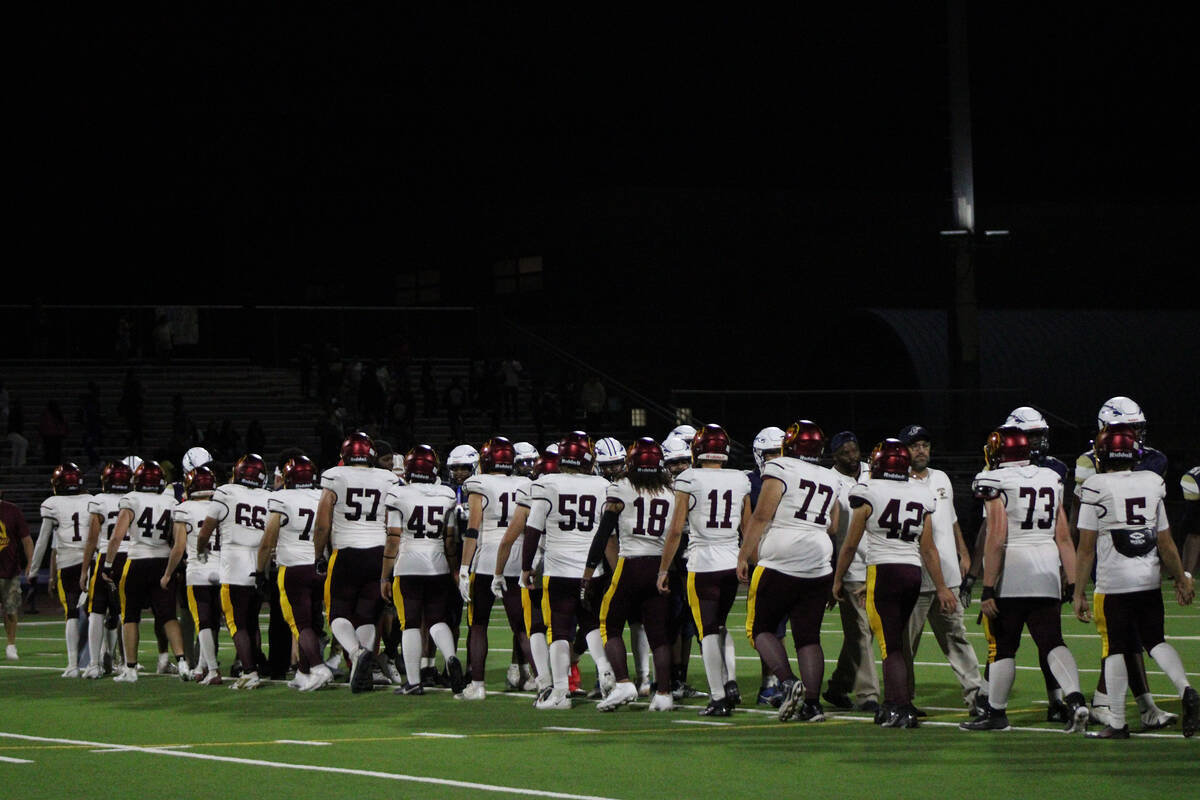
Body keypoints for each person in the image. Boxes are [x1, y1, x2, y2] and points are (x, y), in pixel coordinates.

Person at [959, 428, 1089, 733]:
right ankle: (1075, 700)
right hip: (1046, 569)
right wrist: (1073, 582)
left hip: (1014, 569)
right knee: (1051, 640)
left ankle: (997, 713)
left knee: (1004, 646)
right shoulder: (1049, 477)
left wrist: (987, 587)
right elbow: (1064, 537)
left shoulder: (995, 480)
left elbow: (997, 536)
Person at [1073, 423, 1198, 739]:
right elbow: (1166, 542)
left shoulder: (1096, 485)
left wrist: (1078, 592)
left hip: (1114, 582)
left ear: (1102, 454)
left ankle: (1117, 722)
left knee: (1116, 647)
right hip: (1148, 579)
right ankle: (1186, 690)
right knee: (1155, 640)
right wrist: (1182, 578)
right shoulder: (1152, 482)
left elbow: (1086, 549)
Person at [832, 439, 957, 728]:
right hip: (912, 574)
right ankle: (903, 702)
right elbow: (928, 549)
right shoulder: (920, 492)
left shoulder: (868, 491)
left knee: (890, 646)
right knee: (898, 641)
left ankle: (896, 706)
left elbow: (850, 546)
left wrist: (838, 579)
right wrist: (941, 586)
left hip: (883, 571)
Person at [738, 421, 840, 723]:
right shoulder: (830, 477)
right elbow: (833, 526)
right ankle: (812, 704)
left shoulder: (780, 467)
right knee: (808, 638)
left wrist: (744, 555)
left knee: (760, 629)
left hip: (782, 557)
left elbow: (761, 515)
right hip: (819, 559)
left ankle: (786, 681)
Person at [659, 424, 750, 716]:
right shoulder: (740, 479)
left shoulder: (688, 478)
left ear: (697, 450)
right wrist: (746, 560)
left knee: (707, 630)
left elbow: (675, 531)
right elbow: (748, 528)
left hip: (703, 564)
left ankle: (718, 697)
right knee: (720, 626)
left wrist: (663, 569)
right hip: (731, 561)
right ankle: (730, 681)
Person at [521, 432, 614, 709]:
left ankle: (560, 692)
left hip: (559, 568)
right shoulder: (601, 485)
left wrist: (526, 567)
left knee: (559, 631)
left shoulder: (547, 483)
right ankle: (605, 670)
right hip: (591, 569)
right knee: (591, 625)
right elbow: (607, 530)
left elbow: (533, 529)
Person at [584, 437, 677, 711]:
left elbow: (604, 533)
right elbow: (676, 535)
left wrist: (588, 571)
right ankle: (663, 693)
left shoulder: (621, 488)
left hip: (630, 564)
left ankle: (624, 683)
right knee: (658, 634)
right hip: (659, 566)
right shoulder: (671, 492)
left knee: (608, 624)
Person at [898, 424, 984, 714]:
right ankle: (903, 699)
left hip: (947, 575)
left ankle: (977, 695)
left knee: (957, 637)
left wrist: (962, 551)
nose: (921, 450)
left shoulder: (942, 478)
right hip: (914, 578)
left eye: (924, 444)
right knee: (905, 645)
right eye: (914, 445)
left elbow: (952, 520)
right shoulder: (897, 483)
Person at [312, 432, 399, 693]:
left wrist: (318, 556)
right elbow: (392, 521)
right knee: (367, 616)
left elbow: (322, 525)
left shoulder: (335, 477)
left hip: (346, 553)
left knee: (338, 613)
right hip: (378, 553)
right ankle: (361, 668)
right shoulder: (388, 479)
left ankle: (355, 652)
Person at [383, 445, 465, 696]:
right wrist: (453, 569)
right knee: (437, 620)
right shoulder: (446, 495)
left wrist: (385, 574)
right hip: (438, 563)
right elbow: (451, 539)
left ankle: (414, 681)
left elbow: (394, 538)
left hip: (409, 564)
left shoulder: (399, 495)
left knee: (409, 623)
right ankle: (451, 658)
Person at [457, 438, 532, 700]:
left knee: (478, 625)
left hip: (487, 557)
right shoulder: (526, 484)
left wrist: (464, 567)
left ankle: (477, 684)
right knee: (522, 627)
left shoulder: (480, 484)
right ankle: (542, 680)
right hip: (517, 557)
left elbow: (473, 527)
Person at [101, 460, 188, 682]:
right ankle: (182, 662)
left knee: (130, 616)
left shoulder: (132, 499)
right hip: (162, 560)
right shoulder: (170, 501)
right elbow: (177, 538)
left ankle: (130, 669)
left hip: (137, 561)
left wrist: (108, 565)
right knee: (168, 615)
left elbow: (117, 536)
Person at [198, 454, 271, 690]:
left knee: (236, 623)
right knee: (252, 622)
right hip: (260, 563)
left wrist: (201, 549)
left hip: (234, 565)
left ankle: (249, 672)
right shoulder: (268, 497)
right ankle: (255, 665)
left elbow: (205, 530)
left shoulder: (226, 492)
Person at [261, 456, 332, 691]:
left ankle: (319, 667)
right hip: (320, 566)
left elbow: (268, 541)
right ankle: (303, 672)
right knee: (311, 622)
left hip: (293, 569)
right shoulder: (322, 495)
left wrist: (260, 571)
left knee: (301, 626)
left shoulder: (281, 497)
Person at [822, 430, 878, 713]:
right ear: (835, 456)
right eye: (844, 451)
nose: (851, 455)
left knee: (864, 633)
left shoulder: (874, 471)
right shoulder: (830, 480)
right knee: (859, 631)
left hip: (880, 561)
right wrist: (834, 573)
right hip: (851, 564)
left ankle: (838, 686)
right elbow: (831, 531)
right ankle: (868, 694)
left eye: (854, 449)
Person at [30, 464, 93, 677]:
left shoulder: (53, 504)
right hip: (91, 560)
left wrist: (33, 570)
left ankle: (73, 665)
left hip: (67, 562)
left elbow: (43, 540)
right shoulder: (91, 500)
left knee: (72, 614)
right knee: (98, 612)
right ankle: (97, 663)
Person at [164, 466, 222, 684]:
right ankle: (202, 665)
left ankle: (213, 670)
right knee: (214, 622)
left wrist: (168, 573)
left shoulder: (184, 509)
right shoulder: (221, 505)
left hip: (198, 570)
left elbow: (179, 548)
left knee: (203, 622)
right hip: (222, 569)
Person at [79, 460, 133, 677]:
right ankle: (127, 662)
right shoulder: (133, 499)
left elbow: (92, 538)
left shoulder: (99, 501)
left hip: (106, 557)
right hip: (130, 557)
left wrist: (84, 569)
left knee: (97, 610)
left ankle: (94, 664)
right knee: (126, 612)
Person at [1, 490, 33, 660]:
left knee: (11, 610)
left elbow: (26, 539)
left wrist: (30, 563)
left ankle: (11, 645)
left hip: (9, 570)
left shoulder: (12, 511)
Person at [1182, 466, 1200, 575]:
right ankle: (1186, 575)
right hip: (1193, 483)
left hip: (1191, 481)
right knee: (1194, 534)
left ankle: (1185, 575)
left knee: (1194, 535)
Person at [39, 401, 69, 466]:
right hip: (56, 435)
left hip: (49, 435)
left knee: (50, 451)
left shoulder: (47, 414)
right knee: (56, 451)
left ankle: (50, 463)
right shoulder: (57, 413)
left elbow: (43, 425)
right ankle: (54, 463)